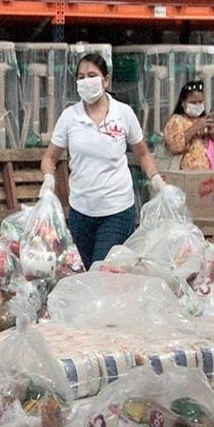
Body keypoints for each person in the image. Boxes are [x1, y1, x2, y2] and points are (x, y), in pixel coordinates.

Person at [40, 53, 165, 269]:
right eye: (81, 77)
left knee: (101, 270)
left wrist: (156, 180)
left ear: (105, 80)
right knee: (92, 271)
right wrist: (48, 179)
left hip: (116, 209)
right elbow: (50, 157)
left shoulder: (123, 114)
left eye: (92, 75)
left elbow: (142, 153)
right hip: (81, 212)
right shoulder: (70, 117)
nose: (86, 81)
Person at [163, 80, 214, 170]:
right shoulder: (176, 121)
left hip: (207, 176)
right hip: (185, 176)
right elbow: (175, 147)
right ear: (183, 102)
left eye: (200, 102)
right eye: (193, 102)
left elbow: (213, 148)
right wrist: (195, 128)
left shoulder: (205, 120)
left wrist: (212, 134)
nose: (197, 105)